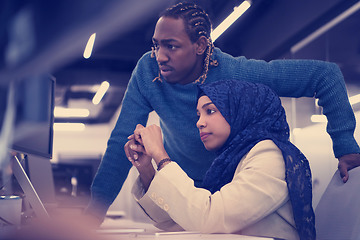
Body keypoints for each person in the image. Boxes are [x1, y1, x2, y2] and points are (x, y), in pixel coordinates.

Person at [85, 2, 360, 224]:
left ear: (201, 46)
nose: (159, 56)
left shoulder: (236, 73)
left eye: (171, 45)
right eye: (156, 45)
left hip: (234, 187)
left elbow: (324, 75)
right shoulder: (148, 71)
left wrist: (345, 145)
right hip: (184, 184)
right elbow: (120, 141)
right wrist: (93, 215)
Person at [127, 79, 315, 240]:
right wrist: (146, 169)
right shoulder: (230, 160)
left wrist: (161, 155)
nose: (199, 122)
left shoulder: (270, 154)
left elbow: (208, 218)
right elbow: (181, 219)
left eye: (210, 111)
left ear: (240, 111)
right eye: (199, 114)